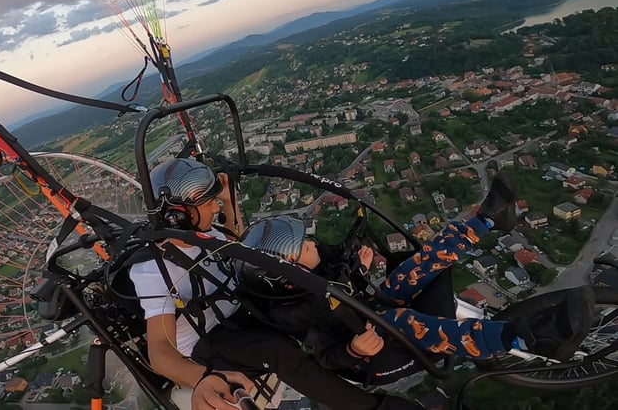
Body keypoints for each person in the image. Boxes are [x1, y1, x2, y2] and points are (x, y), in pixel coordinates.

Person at [237, 173, 595, 384]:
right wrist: (351, 351)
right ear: (291, 275)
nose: (314, 243)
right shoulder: (295, 313)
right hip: (370, 357)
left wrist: (358, 263)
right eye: (305, 247)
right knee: (401, 321)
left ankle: (488, 218)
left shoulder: (309, 267)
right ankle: (525, 339)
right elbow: (323, 358)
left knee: (416, 267)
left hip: (370, 309)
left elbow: (336, 258)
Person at [129, 158, 422, 410]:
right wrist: (202, 378)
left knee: (301, 298)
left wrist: (229, 204)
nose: (215, 205)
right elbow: (159, 350)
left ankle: (355, 351)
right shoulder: (154, 270)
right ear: (178, 215)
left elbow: (236, 248)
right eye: (208, 202)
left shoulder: (204, 232)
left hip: (241, 307)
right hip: (210, 339)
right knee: (277, 349)